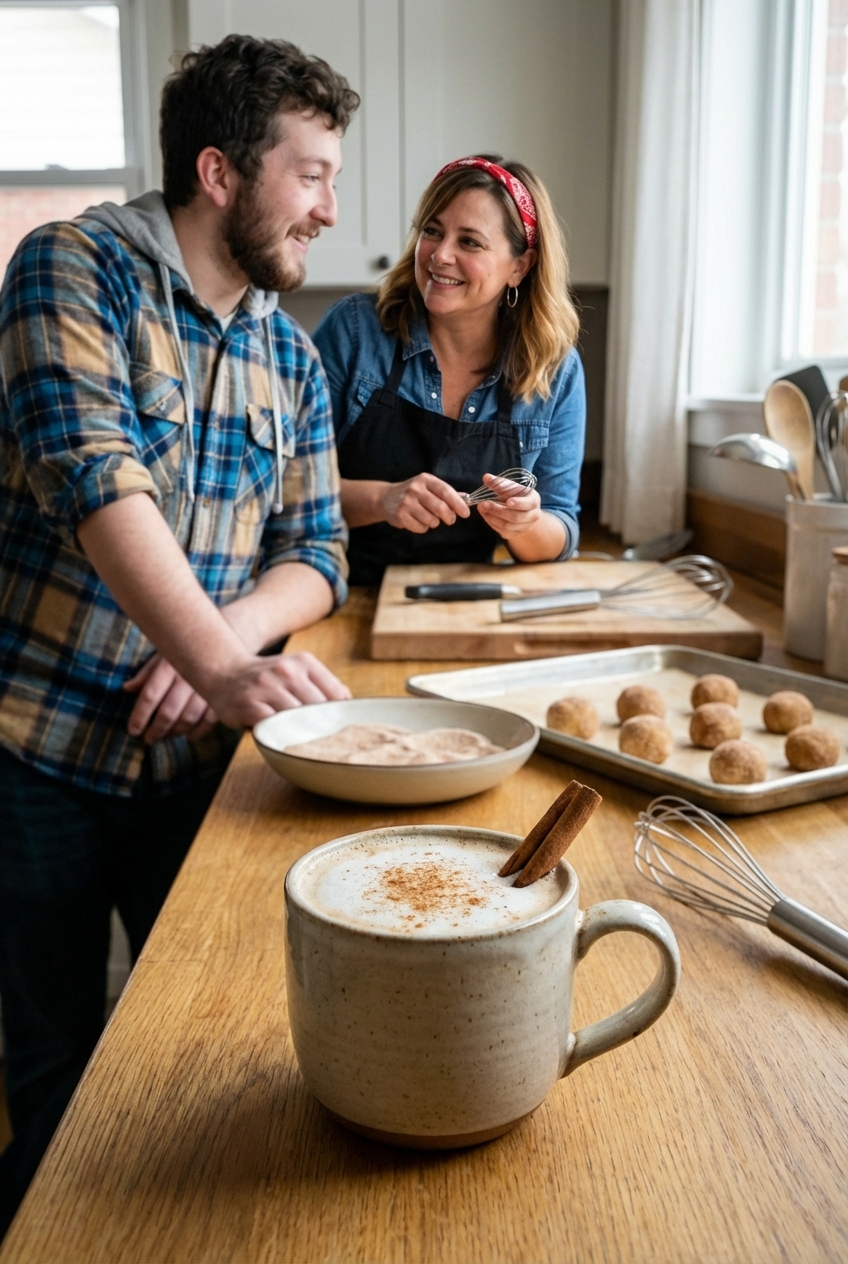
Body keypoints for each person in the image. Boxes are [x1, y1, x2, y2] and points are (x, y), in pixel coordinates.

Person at [0, 35, 359, 1236]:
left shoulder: (291, 355)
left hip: (191, 768)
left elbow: (318, 554)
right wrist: (217, 659)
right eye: (308, 173)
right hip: (33, 751)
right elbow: (97, 478)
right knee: (50, 1056)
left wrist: (220, 642)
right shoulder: (70, 267)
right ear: (218, 172)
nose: (327, 205)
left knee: (201, 1048)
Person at [313, 154, 586, 587]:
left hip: (464, 602)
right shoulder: (355, 332)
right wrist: (383, 499)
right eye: (432, 232)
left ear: (521, 266)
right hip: (342, 591)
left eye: (470, 242)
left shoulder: (555, 371)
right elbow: (287, 491)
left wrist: (525, 524)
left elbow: (561, 531)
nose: (440, 255)